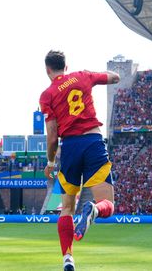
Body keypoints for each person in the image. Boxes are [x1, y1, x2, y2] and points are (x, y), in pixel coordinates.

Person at [40, 50, 119, 271]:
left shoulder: (47, 95)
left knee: (66, 208)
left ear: (48, 69)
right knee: (108, 205)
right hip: (93, 142)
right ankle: (94, 210)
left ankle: (68, 257)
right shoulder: (83, 76)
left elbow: (52, 135)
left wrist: (51, 162)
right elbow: (114, 77)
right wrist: (93, 76)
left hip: (70, 147)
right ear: (66, 66)